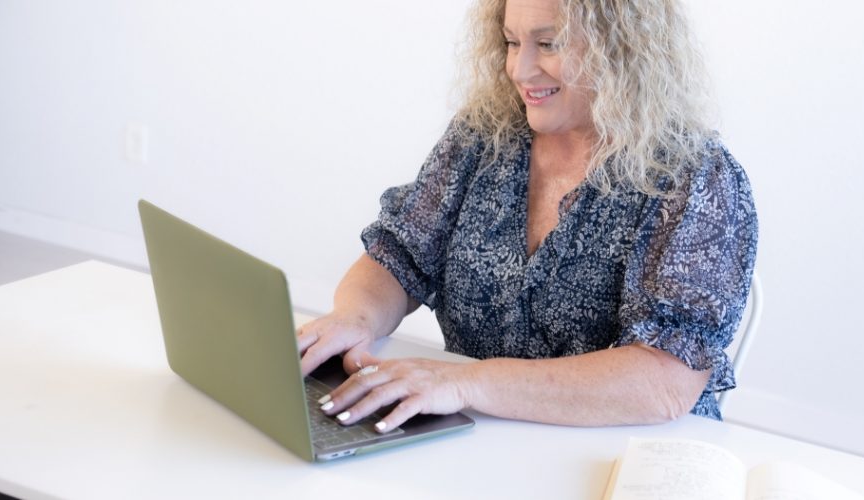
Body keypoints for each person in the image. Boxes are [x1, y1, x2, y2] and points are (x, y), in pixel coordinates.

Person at [296, 0, 758, 433]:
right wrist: (353, 317)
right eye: (512, 42)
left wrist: (465, 383)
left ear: (621, 46)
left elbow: (664, 381)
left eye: (549, 43)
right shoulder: (485, 134)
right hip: (482, 437)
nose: (519, 69)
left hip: (629, 456)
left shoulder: (695, 177)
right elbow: (400, 255)